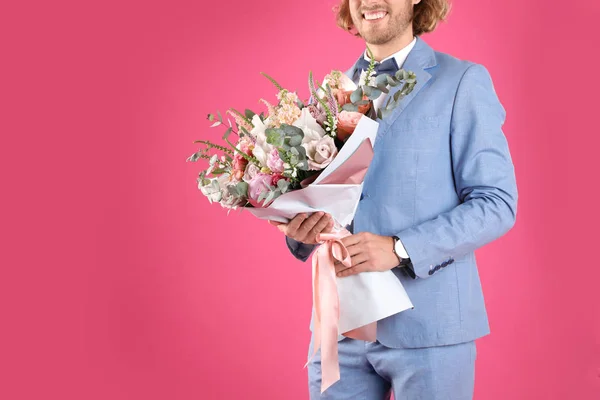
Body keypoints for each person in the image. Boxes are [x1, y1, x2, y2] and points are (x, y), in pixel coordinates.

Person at [270, 0, 518, 398]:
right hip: (340, 329)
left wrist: (401, 248)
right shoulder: (331, 95)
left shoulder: (462, 82)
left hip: (429, 329)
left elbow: (496, 203)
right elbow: (328, 203)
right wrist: (302, 230)